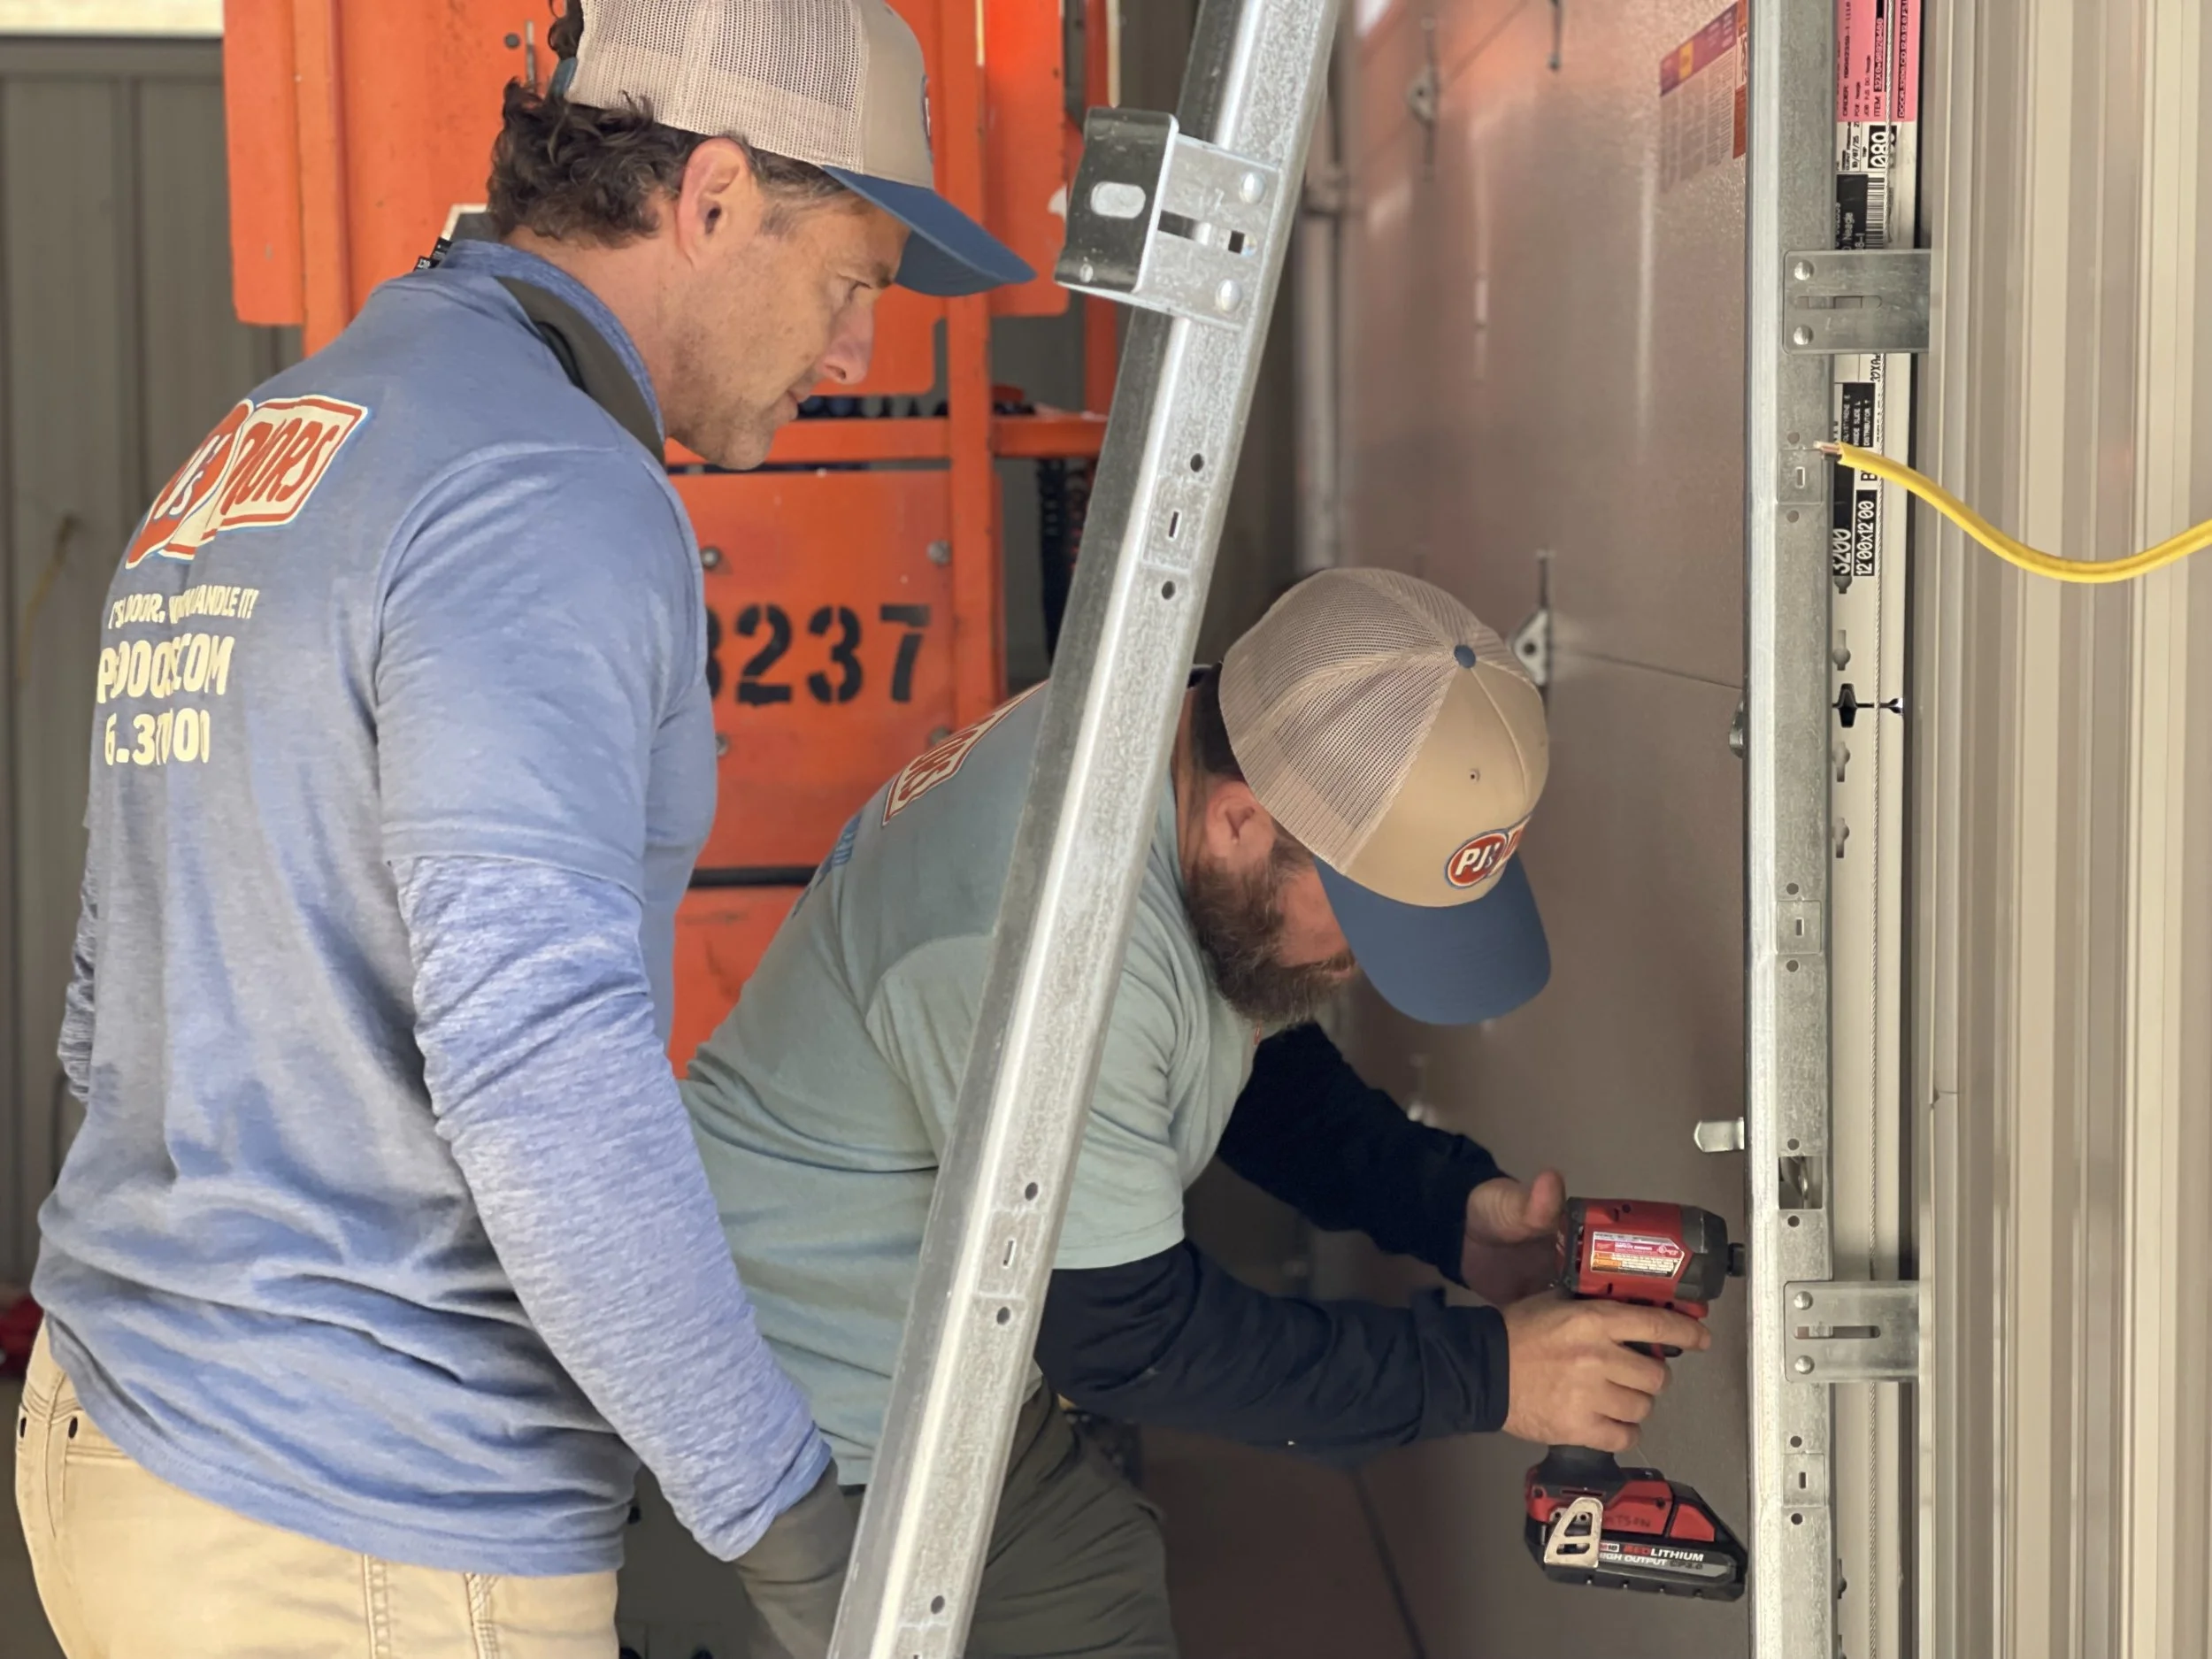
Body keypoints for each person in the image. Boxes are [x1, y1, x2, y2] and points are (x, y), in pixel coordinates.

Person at [15, 3, 1029, 1655]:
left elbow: (104, 995)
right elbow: (541, 1076)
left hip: (134, 1430)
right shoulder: (547, 492)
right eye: (851, 278)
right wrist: (785, 1517)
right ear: (709, 199)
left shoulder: (282, 442)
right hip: (356, 1522)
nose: (855, 350)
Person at [683, 567, 1714, 1655]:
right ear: (1238, 820)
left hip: (963, 1376)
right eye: (1364, 923)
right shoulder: (1045, 944)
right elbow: (1129, 1337)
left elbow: (1229, 1041)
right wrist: (1495, 1374)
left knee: (1100, 1583)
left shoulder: (1177, 753)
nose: (1360, 967)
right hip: (811, 1413)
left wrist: (1447, 1208)